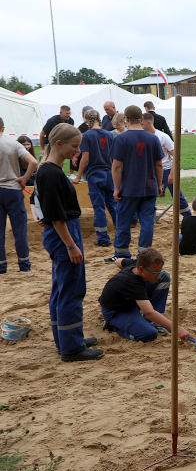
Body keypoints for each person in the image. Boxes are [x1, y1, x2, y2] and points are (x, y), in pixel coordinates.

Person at [34, 123, 103, 362]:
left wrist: (43, 218)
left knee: (62, 287)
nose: (77, 151)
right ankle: (71, 348)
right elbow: (56, 216)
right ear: (59, 144)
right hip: (64, 234)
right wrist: (71, 245)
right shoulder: (50, 172)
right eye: (75, 146)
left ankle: (67, 338)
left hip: (62, 231)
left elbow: (40, 204)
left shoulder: (49, 170)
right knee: (71, 289)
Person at [99, 247, 192, 342]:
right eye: (155, 273)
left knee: (165, 276)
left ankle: (151, 320)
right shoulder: (132, 283)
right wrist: (177, 328)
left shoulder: (135, 264)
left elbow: (118, 261)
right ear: (141, 269)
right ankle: (113, 326)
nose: (158, 275)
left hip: (129, 300)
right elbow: (149, 312)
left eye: (158, 271)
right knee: (149, 334)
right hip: (116, 311)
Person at [111, 105, 163, 259]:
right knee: (147, 221)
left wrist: (116, 188)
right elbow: (159, 164)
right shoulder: (152, 138)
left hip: (128, 188)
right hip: (148, 187)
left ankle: (122, 253)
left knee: (124, 221)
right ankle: (144, 252)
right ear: (141, 119)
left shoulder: (121, 139)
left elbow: (117, 166)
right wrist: (159, 185)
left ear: (126, 119)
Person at [74, 109, 117, 247]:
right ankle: (122, 232)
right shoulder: (109, 134)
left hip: (95, 174)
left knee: (99, 207)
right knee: (113, 205)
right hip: (109, 173)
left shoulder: (87, 136)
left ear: (86, 119)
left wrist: (78, 176)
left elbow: (85, 158)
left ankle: (103, 238)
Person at [0, 117, 37, 273]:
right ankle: (24, 265)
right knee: (19, 230)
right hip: (13, 189)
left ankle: (1, 266)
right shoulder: (13, 144)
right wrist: (24, 178)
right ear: (3, 128)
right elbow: (33, 162)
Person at [143, 113, 190, 218]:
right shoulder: (144, 137)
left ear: (149, 123)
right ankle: (151, 216)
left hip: (167, 169)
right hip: (152, 171)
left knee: (177, 195)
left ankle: (188, 216)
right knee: (150, 194)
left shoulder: (163, 137)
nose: (141, 126)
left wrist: (172, 174)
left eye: (142, 124)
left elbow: (176, 156)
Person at [16, 135, 39, 221]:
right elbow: (20, 174)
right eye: (24, 144)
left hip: (30, 182)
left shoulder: (31, 156)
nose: (26, 147)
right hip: (22, 182)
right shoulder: (17, 158)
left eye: (28, 144)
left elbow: (35, 172)